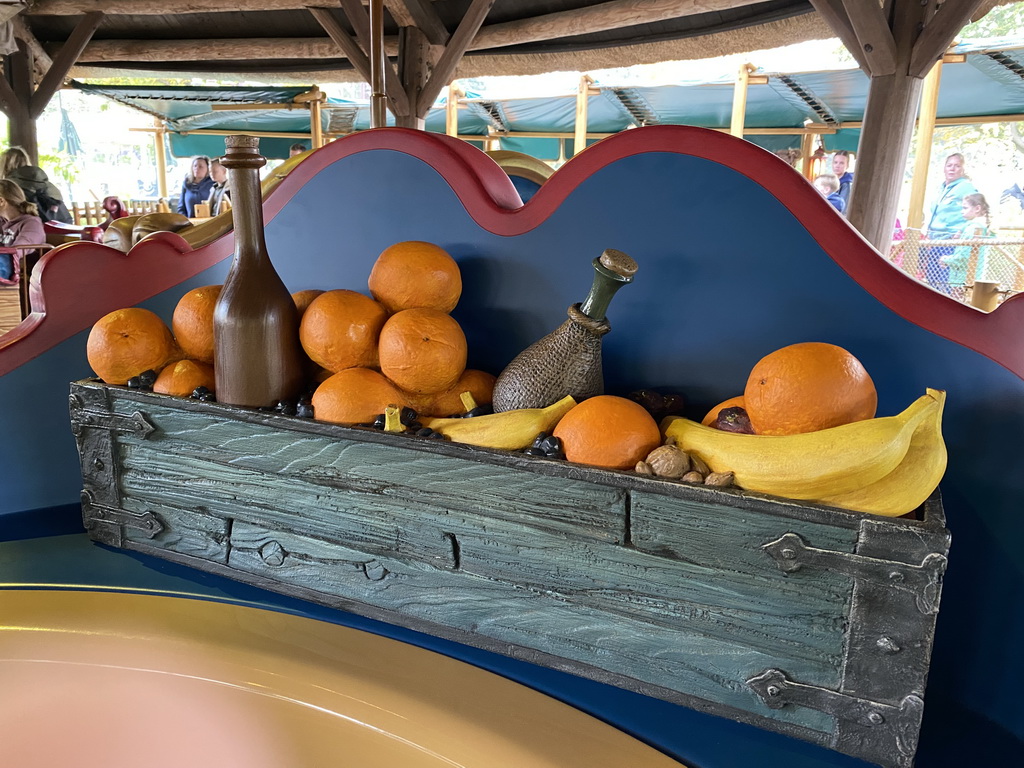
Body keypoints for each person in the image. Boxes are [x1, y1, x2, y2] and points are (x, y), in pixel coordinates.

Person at [923, 153, 978, 292]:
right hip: (934, 241)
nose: (952, 169)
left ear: (963, 169)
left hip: (951, 241)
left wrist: (964, 229)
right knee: (931, 281)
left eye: (957, 166)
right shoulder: (941, 188)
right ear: (944, 168)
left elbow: (978, 209)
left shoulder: (966, 187)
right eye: (949, 165)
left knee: (944, 283)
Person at [0, 146, 73, 224]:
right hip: (60, 229)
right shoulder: (47, 184)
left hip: (26, 230)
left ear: (4, 165)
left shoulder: (7, 187)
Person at [941, 193, 994, 299]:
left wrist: (946, 260)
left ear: (977, 208)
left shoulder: (973, 229)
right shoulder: (982, 228)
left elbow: (963, 257)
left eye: (965, 208)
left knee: (957, 304)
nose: (962, 211)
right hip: (973, 275)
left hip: (962, 278)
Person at [0, 179, 46, 286]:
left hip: (22, 276)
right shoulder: (2, 222)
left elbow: (19, 250)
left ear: (1, 201)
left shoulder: (32, 223)